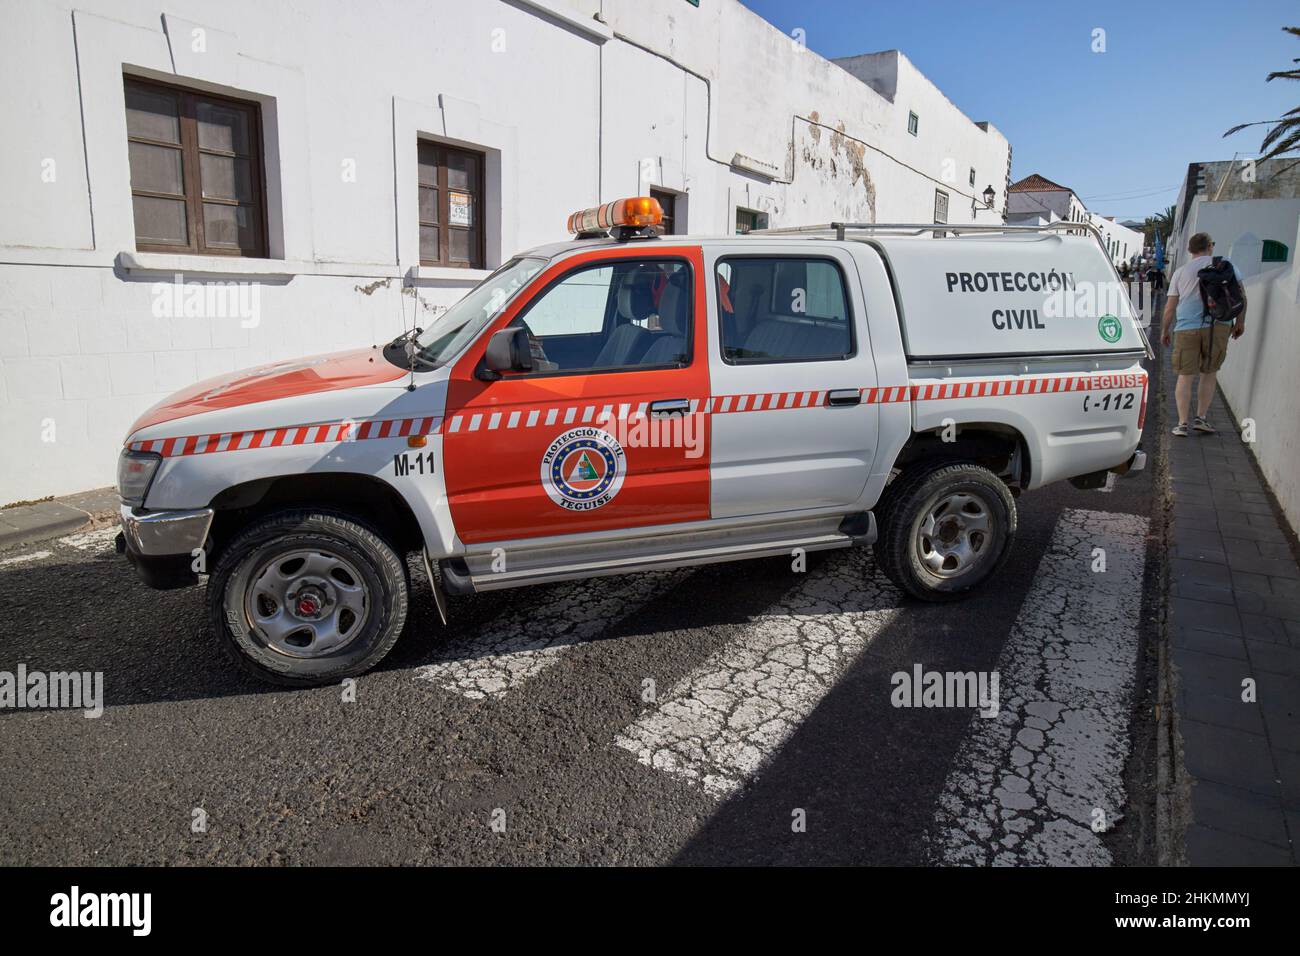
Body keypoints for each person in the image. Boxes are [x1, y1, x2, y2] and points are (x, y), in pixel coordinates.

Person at [1160, 233, 1247, 436]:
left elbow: (1170, 307)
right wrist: (1240, 322)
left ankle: (1182, 424)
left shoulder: (1181, 272)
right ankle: (1201, 418)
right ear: (1210, 246)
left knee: (1185, 375)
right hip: (1219, 326)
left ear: (1190, 250)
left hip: (1186, 327)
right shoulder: (1227, 266)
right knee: (1209, 373)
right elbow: (1241, 296)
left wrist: (1165, 330)